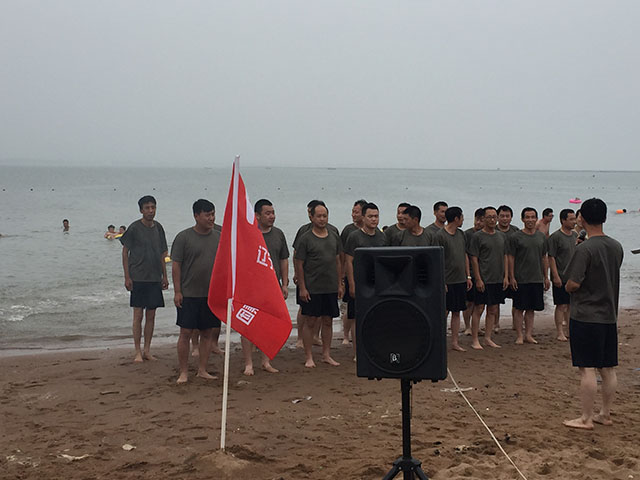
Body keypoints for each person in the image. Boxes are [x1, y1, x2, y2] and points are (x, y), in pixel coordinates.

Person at [562, 198, 623, 430]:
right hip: (609, 314)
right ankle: (605, 413)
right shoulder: (616, 246)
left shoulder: (584, 249)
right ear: (604, 217)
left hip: (586, 315)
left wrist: (568, 286)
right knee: (607, 368)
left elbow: (573, 283)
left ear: (582, 218)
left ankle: (586, 418)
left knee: (586, 368)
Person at [171, 199, 221, 384]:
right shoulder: (183, 237)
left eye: (213, 214)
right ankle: (183, 372)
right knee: (185, 332)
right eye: (207, 215)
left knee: (207, 332)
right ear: (196, 216)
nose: (211, 218)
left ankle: (202, 370)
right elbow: (176, 265)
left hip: (211, 294)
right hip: (189, 293)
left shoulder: (218, 237)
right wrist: (178, 291)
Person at [240, 199, 290, 375]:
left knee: (268, 325)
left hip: (272, 287)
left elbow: (283, 259)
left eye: (273, 213)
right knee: (248, 325)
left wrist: (284, 284)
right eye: (267, 213)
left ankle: (265, 361)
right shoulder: (249, 234)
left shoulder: (278, 234)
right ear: (257, 216)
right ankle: (248, 363)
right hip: (251, 288)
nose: (272, 216)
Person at [120, 195, 169, 363]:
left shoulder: (159, 228)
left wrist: (165, 276)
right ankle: (137, 351)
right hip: (138, 277)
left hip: (154, 277)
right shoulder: (134, 228)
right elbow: (125, 252)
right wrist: (127, 276)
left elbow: (163, 253)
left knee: (151, 315)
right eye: (147, 208)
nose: (150, 211)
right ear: (141, 210)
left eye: (153, 207)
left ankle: (147, 349)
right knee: (138, 315)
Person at [294, 203, 344, 368]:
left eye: (324, 216)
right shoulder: (305, 238)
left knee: (328, 321)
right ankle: (309, 356)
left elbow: (338, 261)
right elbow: (299, 263)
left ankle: (326, 354)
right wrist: (302, 287)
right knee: (310, 321)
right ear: (312, 217)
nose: (322, 219)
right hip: (312, 287)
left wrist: (340, 284)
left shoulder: (334, 236)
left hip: (330, 286)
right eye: (319, 216)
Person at [344, 202, 387, 358]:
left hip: (377, 284)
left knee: (376, 317)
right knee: (357, 318)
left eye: (376, 216)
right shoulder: (354, 236)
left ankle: (374, 349)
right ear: (363, 217)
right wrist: (351, 284)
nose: (374, 219)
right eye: (370, 216)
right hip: (359, 283)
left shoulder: (382, 237)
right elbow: (348, 261)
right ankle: (358, 353)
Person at [508, 207, 550, 345]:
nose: (530, 220)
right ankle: (519, 335)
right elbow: (511, 257)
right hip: (521, 278)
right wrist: (511, 277)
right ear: (522, 219)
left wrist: (546, 277)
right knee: (519, 308)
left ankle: (528, 334)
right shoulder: (515, 237)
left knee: (531, 308)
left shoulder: (541, 237)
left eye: (533, 217)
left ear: (536, 219)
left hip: (536, 278)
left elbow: (544, 257)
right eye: (527, 217)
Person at [468, 207, 508, 349]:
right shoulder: (477, 237)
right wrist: (478, 278)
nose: (492, 220)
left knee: (493, 309)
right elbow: (474, 258)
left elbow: (505, 256)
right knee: (479, 308)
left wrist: (506, 276)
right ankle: (475, 340)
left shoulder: (501, 236)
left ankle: (488, 338)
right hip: (483, 278)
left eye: (494, 217)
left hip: (497, 278)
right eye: (489, 217)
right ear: (483, 219)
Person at [434, 207, 472, 352]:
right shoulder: (440, 235)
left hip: (460, 279)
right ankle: (440, 340)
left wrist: (468, 276)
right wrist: (441, 281)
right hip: (447, 281)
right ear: (456, 218)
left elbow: (464, 255)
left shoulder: (461, 234)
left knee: (457, 311)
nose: (463, 220)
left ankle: (455, 342)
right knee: (444, 311)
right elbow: (437, 259)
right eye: (461, 217)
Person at [340, 200, 367, 345]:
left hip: (365, 278)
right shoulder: (348, 230)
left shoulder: (372, 231)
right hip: (349, 275)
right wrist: (342, 276)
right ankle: (345, 335)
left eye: (356, 212)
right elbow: (343, 254)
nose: (353, 214)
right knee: (348, 308)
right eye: (352, 211)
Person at [548, 209, 577, 341]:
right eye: (571, 219)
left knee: (571, 305)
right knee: (561, 305)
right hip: (560, 275)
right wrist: (555, 276)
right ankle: (560, 332)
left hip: (573, 276)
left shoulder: (575, 235)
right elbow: (551, 257)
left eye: (574, 219)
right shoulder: (555, 237)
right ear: (563, 220)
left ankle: (570, 330)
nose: (574, 222)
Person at [496, 205, 520, 332]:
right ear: (497, 217)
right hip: (497, 271)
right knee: (496, 301)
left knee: (516, 299)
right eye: (502, 216)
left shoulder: (516, 232)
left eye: (507, 216)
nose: (505, 219)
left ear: (511, 217)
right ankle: (495, 324)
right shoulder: (493, 230)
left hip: (514, 271)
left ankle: (516, 323)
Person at [462, 208, 485, 335]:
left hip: (484, 272)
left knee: (481, 303)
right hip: (470, 272)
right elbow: (465, 254)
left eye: (481, 220)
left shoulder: (487, 234)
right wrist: (468, 275)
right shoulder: (467, 234)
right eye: (477, 219)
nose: (478, 223)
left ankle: (476, 325)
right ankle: (467, 326)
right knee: (469, 302)